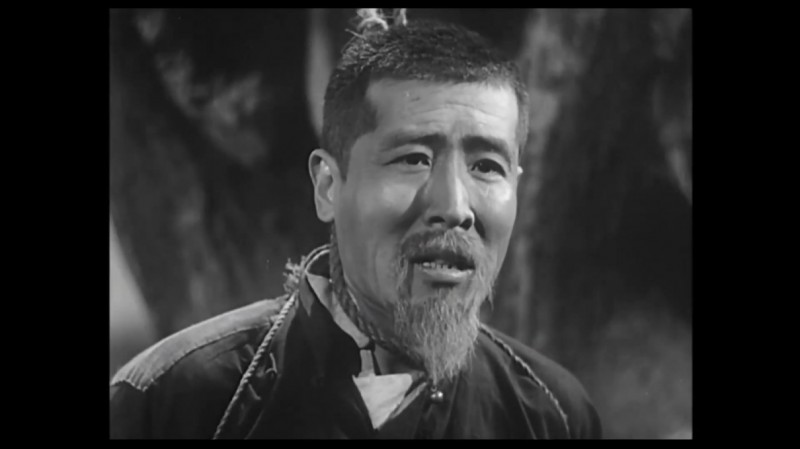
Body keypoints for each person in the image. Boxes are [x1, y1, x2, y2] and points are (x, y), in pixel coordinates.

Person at [109, 9, 602, 439]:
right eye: (413, 159)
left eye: (487, 166)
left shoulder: (550, 415)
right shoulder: (177, 401)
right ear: (328, 186)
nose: (455, 207)